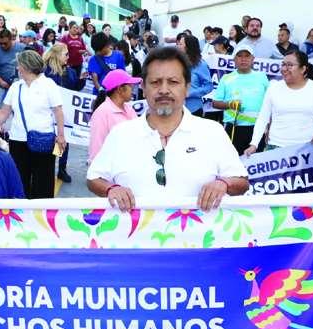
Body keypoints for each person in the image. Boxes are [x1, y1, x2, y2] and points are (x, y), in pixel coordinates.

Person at [87, 47, 248, 211]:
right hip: (135, 228)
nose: (164, 90)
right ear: (143, 88)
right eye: (155, 82)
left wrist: (223, 183)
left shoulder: (213, 132)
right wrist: (111, 188)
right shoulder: (121, 134)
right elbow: (94, 178)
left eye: (173, 82)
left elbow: (241, 181)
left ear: (187, 88)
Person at [0, 51, 66, 199]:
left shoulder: (48, 85)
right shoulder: (16, 86)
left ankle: (41, 211)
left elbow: (58, 111)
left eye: (19, 65)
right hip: (18, 140)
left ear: (26, 67)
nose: (17, 68)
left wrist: (61, 135)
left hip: (43, 140)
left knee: (43, 182)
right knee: (19, 180)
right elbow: (4, 112)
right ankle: (21, 210)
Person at [244, 50, 313, 154]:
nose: (284, 69)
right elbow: (263, 118)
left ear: (303, 69)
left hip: (306, 149)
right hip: (275, 148)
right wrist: (254, 145)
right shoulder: (274, 87)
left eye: (290, 65)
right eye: (283, 64)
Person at [211, 45, 269, 154]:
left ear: (253, 59)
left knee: (257, 162)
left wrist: (269, 127)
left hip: (257, 128)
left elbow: (270, 103)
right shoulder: (226, 78)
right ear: (234, 59)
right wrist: (230, 104)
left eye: (247, 56)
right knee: (233, 161)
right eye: (239, 56)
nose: (243, 59)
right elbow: (215, 103)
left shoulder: (262, 77)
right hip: (234, 127)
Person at [43, 43, 86, 183]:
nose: (68, 57)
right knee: (50, 140)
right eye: (66, 54)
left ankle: (61, 168)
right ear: (57, 55)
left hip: (64, 113)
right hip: (49, 113)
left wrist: (81, 80)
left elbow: (74, 89)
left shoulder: (70, 71)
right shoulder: (45, 72)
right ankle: (49, 167)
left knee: (62, 140)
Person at [88, 69, 140, 163]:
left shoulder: (129, 109)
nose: (133, 88)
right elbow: (96, 150)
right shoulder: (102, 113)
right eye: (130, 85)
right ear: (120, 89)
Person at [177, 34, 212, 117]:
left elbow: (208, 86)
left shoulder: (201, 64)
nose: (177, 46)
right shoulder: (176, 63)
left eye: (180, 44)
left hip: (193, 109)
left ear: (188, 47)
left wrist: (190, 93)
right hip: (176, 109)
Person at [0, 29, 24, 107]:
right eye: (0, 43)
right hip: (0, 86)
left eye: (5, 43)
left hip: (18, 85)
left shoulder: (21, 47)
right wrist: (1, 82)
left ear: (11, 39)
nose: (3, 46)